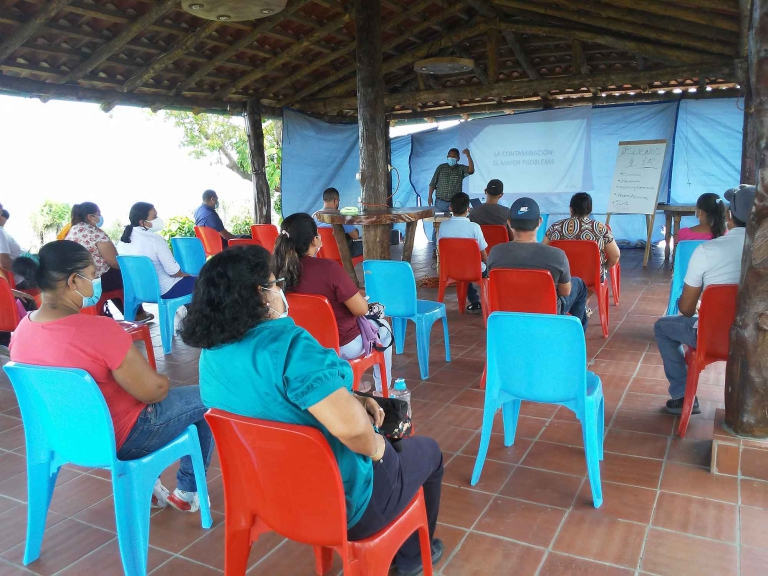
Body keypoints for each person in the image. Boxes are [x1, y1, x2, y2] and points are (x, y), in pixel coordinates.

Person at [179, 245, 444, 576]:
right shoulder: (290, 345)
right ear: (259, 294)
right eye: (276, 284)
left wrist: (351, 397)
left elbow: (274, 401)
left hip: (268, 495)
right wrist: (378, 450)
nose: (281, 290)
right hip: (344, 508)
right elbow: (353, 431)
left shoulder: (212, 355)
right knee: (428, 452)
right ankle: (411, 558)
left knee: (384, 434)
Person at [10, 241, 213, 512]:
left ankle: (149, 483)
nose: (96, 282)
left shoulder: (22, 331)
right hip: (123, 437)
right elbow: (152, 391)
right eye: (92, 275)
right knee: (209, 398)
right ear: (73, 280)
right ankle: (188, 491)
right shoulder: (99, 330)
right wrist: (162, 382)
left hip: (63, 437)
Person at [654, 184, 754, 415]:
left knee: (662, 327)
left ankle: (682, 395)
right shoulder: (761, 250)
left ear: (729, 215)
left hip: (713, 338)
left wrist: (698, 303)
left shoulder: (707, 251)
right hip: (755, 338)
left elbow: (687, 309)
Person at [272, 213, 392, 393]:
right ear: (314, 240)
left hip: (302, 345)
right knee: (385, 329)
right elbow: (360, 309)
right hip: (343, 345)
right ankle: (383, 390)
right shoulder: (329, 269)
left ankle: (351, 383)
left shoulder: (276, 273)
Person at [488, 197, 589, 330]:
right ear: (540, 222)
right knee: (579, 285)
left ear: (509, 223)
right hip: (547, 311)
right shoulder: (557, 255)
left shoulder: (495, 253)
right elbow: (565, 292)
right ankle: (575, 334)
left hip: (508, 310)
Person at [66, 202, 152, 322]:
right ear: (90, 217)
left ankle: (118, 312)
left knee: (113, 276)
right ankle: (137, 313)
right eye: (98, 214)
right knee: (124, 276)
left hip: (78, 280)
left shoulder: (72, 231)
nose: (100, 218)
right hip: (95, 280)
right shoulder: (95, 233)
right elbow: (114, 262)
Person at [117, 202, 196, 300]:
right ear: (142, 222)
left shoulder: (122, 242)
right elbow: (173, 271)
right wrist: (186, 274)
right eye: (154, 216)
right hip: (165, 290)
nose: (158, 219)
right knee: (206, 282)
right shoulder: (154, 239)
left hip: (139, 291)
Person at [544, 192, 620, 282]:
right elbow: (615, 255)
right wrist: (603, 267)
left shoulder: (555, 227)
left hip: (562, 278)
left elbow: (543, 250)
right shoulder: (600, 228)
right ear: (590, 209)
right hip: (592, 277)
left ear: (571, 209)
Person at [437, 192, 488, 313]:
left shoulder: (443, 226)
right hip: (473, 270)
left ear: (450, 208)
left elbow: (440, 248)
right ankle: (486, 305)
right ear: (468, 209)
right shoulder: (474, 227)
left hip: (451, 270)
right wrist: (488, 264)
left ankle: (474, 301)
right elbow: (483, 253)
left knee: (464, 268)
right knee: (478, 268)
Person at [428, 148, 475, 249]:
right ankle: (435, 249)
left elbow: (471, 171)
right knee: (437, 225)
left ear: (458, 158)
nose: (451, 157)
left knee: (454, 224)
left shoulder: (461, 168)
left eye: (453, 156)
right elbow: (432, 183)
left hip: (455, 204)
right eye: (449, 155)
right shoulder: (441, 167)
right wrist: (429, 196)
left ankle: (452, 246)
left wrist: (468, 156)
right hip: (440, 202)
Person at [315, 187, 363, 258]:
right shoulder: (341, 217)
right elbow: (355, 236)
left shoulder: (315, 216)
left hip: (323, 255)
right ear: (336, 201)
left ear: (324, 200)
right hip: (344, 254)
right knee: (367, 245)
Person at [0, 203, 28, 289]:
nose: (2, 211)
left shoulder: (2, 230)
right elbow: (4, 263)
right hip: (22, 279)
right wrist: (27, 272)